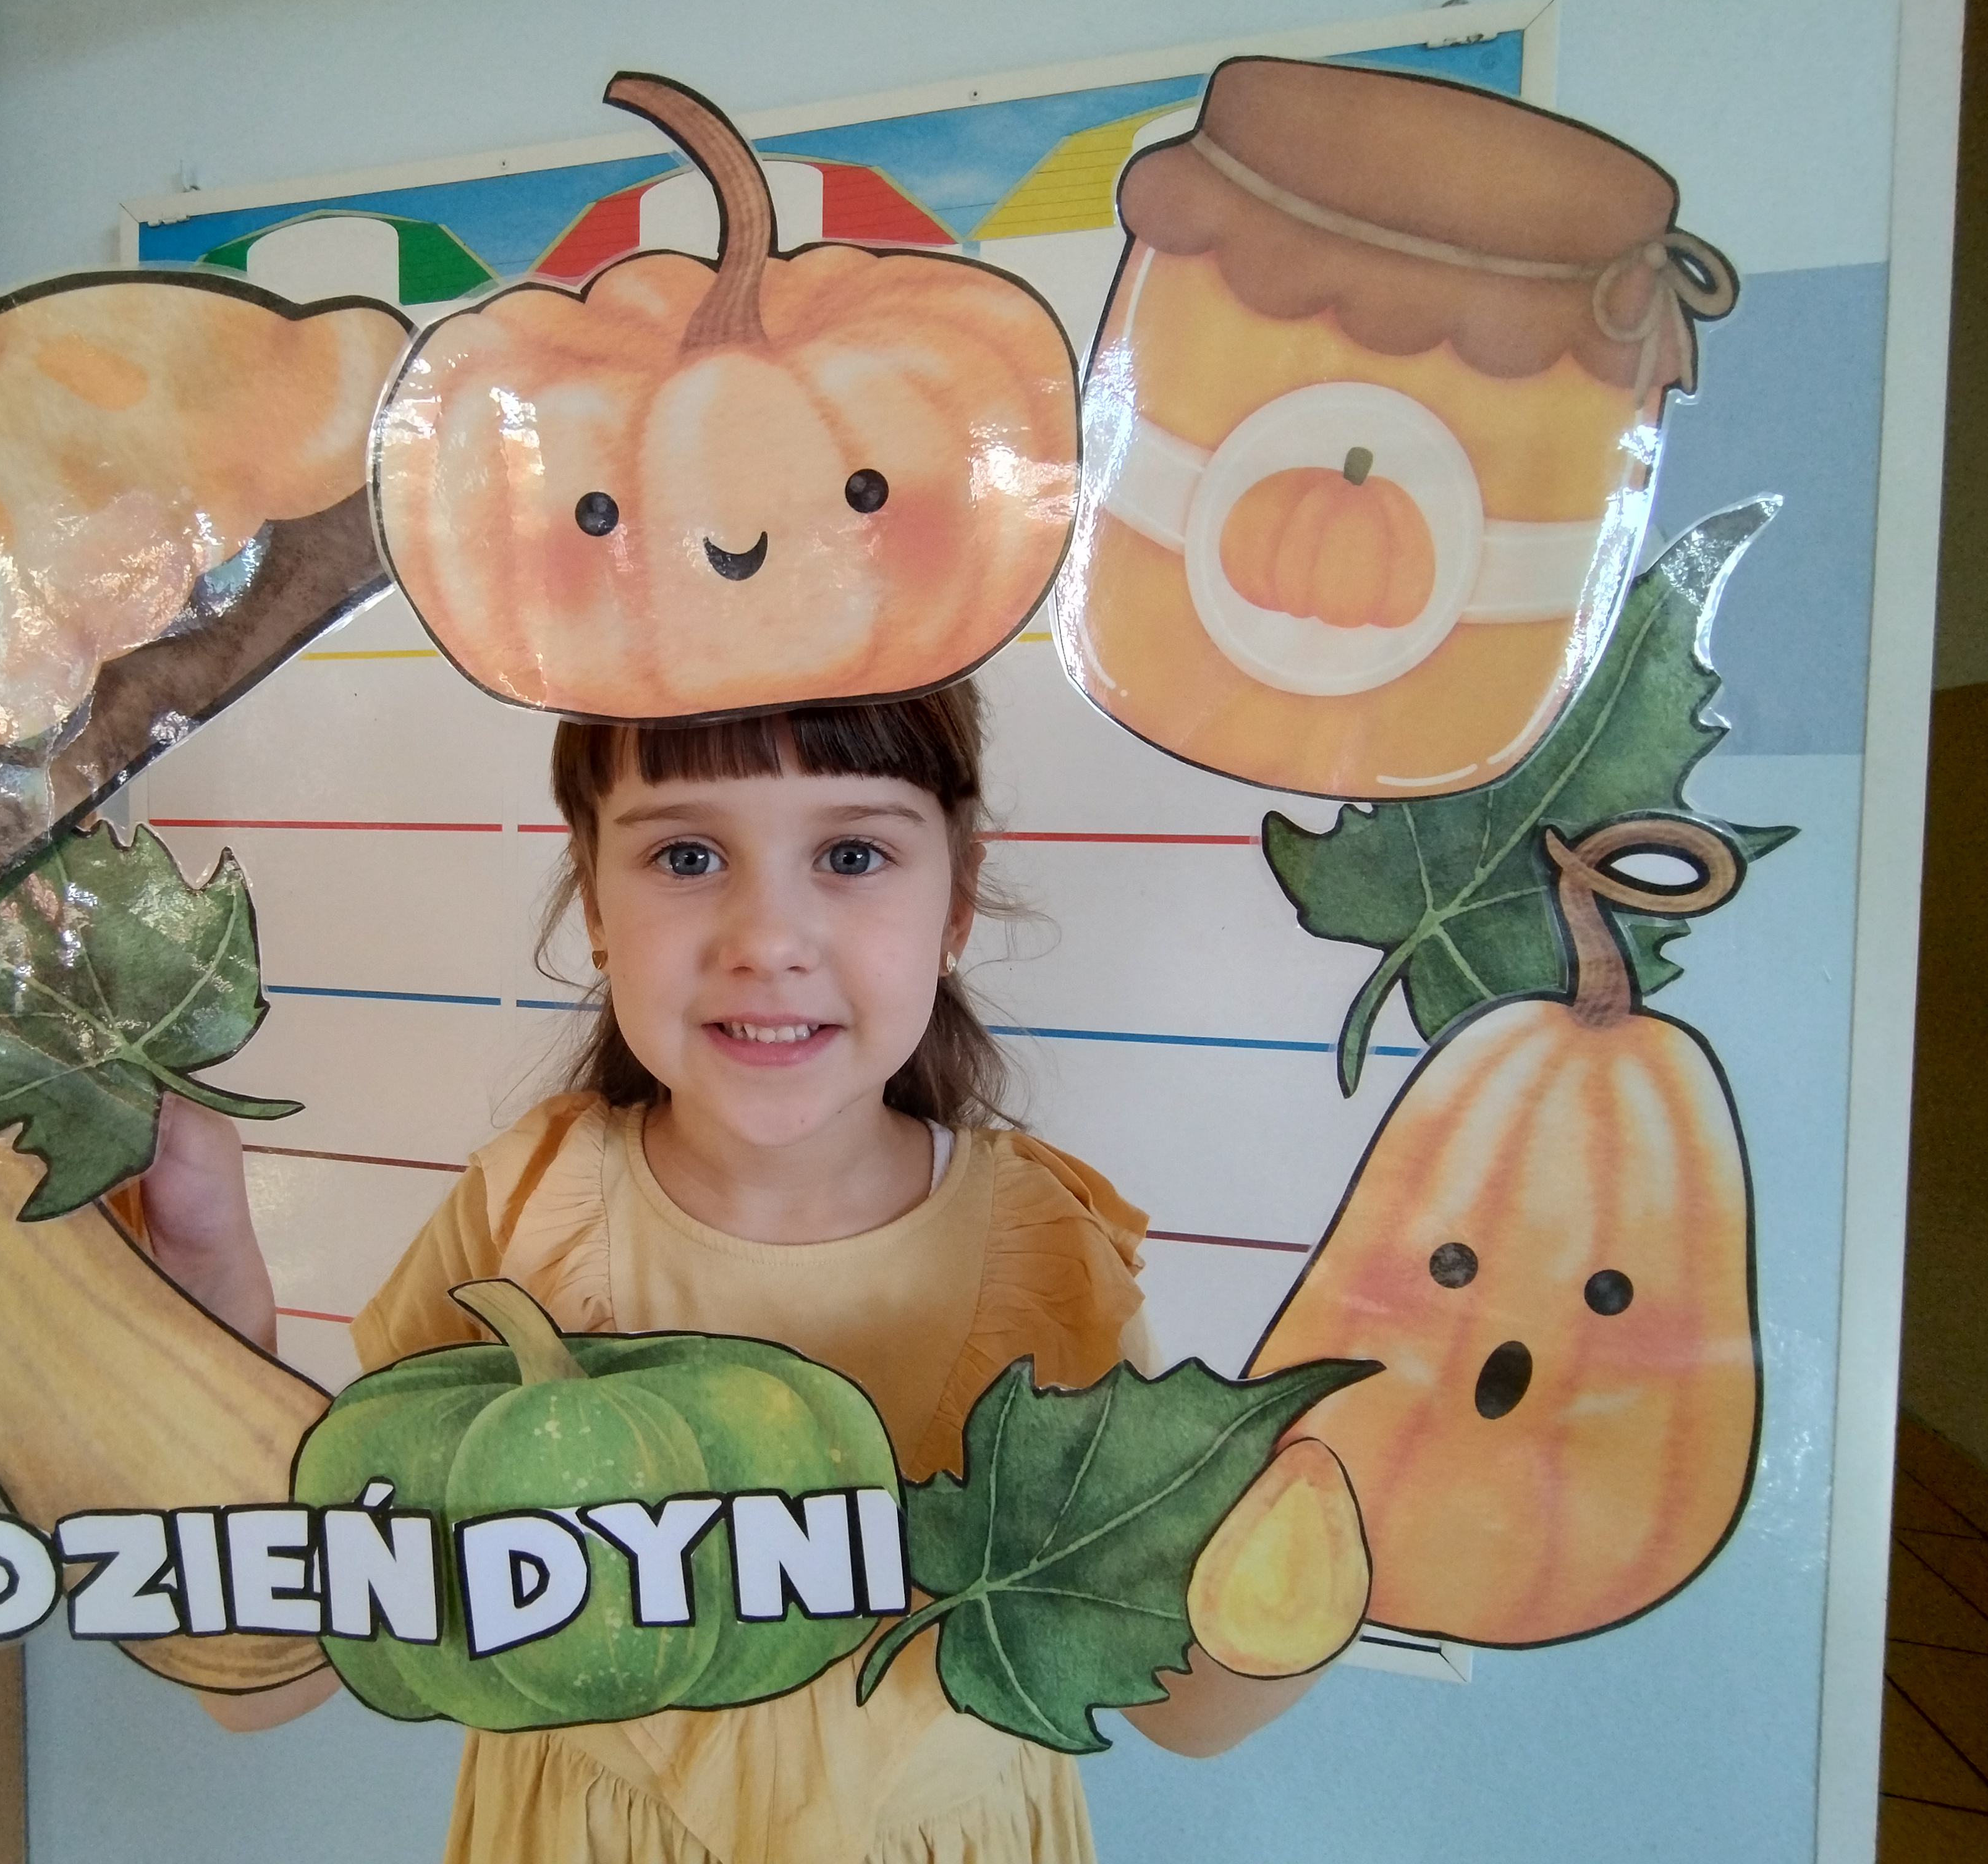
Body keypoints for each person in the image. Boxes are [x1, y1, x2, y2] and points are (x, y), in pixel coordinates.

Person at [138, 682, 1318, 1863]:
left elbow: (1188, 1708)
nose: (767, 940)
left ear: (957, 899)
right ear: (594, 901)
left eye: (852, 854)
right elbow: (266, 1676)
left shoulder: (1050, 1254)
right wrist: (202, 1286)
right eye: (688, 856)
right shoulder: (519, 1219)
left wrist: (1336, 1507)